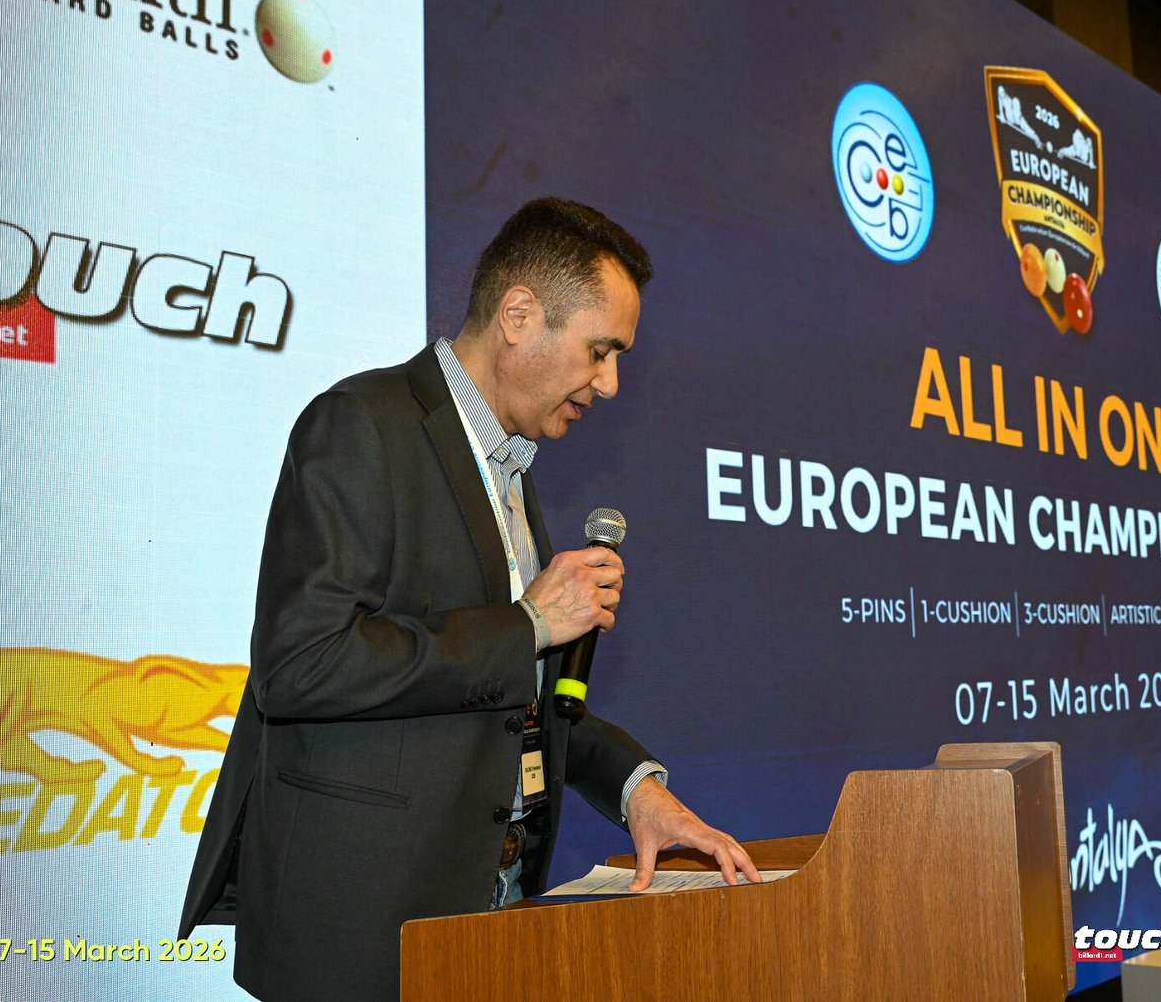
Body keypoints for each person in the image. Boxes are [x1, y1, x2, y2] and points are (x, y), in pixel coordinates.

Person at [179, 198, 759, 1002]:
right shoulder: (361, 425)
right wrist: (529, 623)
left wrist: (637, 790)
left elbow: (512, 689)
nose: (611, 383)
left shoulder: (511, 469)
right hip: (364, 936)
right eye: (600, 351)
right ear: (519, 315)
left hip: (488, 918)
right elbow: (301, 663)